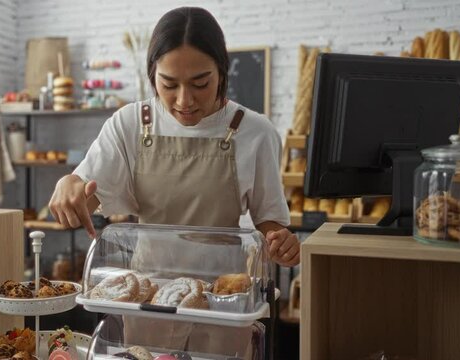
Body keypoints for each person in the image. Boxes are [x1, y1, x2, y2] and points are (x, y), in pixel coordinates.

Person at [49, 7, 300, 358]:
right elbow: (87, 198)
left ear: (222, 73)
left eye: (201, 83)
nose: (185, 100)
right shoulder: (130, 125)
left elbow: (269, 225)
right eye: (168, 84)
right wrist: (70, 186)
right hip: (148, 300)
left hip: (222, 303)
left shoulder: (255, 132)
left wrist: (281, 242)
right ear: (152, 74)